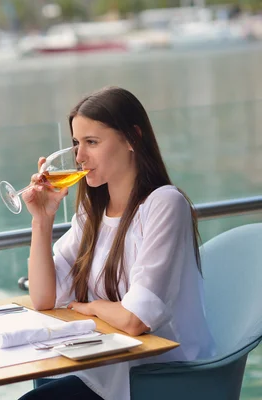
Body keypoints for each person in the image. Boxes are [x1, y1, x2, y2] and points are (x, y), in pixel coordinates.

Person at [19, 87, 215, 400]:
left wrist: (89, 307)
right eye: (75, 144)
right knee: (41, 387)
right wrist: (42, 221)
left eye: (91, 142)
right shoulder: (92, 212)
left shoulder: (164, 204)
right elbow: (44, 297)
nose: (79, 157)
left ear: (132, 138)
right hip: (112, 365)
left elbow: (135, 319)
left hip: (163, 376)